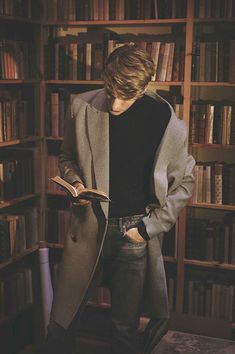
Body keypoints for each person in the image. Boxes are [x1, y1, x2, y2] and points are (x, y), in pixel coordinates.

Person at [42, 44, 195, 354]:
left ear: (146, 84)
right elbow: (67, 157)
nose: (114, 104)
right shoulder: (82, 106)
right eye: (110, 92)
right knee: (62, 321)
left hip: (133, 233)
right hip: (88, 226)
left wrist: (147, 229)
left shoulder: (166, 121)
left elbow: (184, 183)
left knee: (124, 328)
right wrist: (76, 182)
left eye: (125, 96)